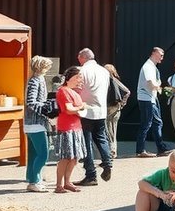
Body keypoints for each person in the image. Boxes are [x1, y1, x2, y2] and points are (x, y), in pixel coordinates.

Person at [75, 48, 114, 185]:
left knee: (86, 143)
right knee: (101, 138)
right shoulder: (104, 71)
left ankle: (91, 175)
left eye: (79, 58)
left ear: (83, 58)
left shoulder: (82, 71)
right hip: (101, 110)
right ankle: (107, 162)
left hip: (86, 110)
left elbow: (77, 89)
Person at [53, 66, 89, 193]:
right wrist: (81, 107)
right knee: (66, 157)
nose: (80, 80)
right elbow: (68, 109)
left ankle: (67, 182)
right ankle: (59, 185)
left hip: (76, 127)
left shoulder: (74, 91)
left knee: (74, 157)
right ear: (71, 78)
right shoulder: (63, 91)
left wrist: (81, 107)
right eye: (78, 77)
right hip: (66, 128)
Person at [24, 56, 55, 192]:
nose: (48, 69)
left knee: (33, 153)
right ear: (41, 67)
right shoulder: (35, 81)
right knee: (43, 154)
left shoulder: (37, 79)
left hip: (33, 123)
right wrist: (45, 110)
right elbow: (31, 102)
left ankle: (33, 179)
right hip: (35, 123)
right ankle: (34, 181)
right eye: (46, 66)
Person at [135, 47, 170, 158]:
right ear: (154, 53)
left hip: (151, 99)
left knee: (157, 123)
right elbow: (150, 83)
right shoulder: (148, 67)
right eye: (161, 55)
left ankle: (161, 149)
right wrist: (159, 88)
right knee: (146, 124)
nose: (162, 57)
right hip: (147, 99)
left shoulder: (152, 66)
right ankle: (140, 151)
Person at [103, 63, 130, 158]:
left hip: (108, 107)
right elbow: (127, 91)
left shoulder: (104, 81)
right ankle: (113, 150)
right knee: (114, 129)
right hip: (117, 107)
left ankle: (111, 150)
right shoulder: (116, 80)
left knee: (107, 129)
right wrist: (122, 103)